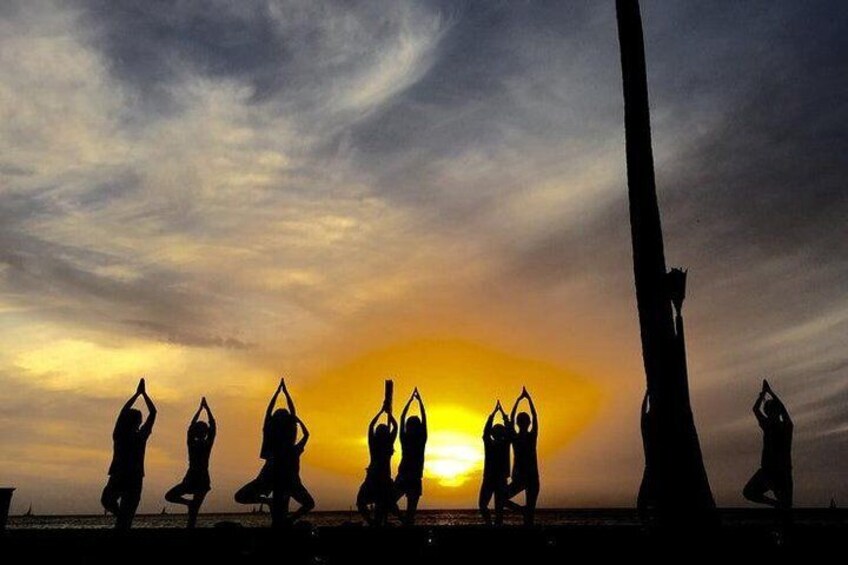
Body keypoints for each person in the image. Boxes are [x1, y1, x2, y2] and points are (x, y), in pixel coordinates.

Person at [235, 378, 314, 527]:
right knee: (242, 497)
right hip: (270, 478)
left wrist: (281, 393)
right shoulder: (272, 443)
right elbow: (270, 415)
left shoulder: (291, 446)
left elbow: (288, 414)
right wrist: (280, 393)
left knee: (280, 517)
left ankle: (283, 522)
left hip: (285, 481)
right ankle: (271, 506)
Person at [101, 378, 157, 529]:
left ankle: (122, 522)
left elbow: (123, 412)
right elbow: (153, 412)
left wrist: (137, 394)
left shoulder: (121, 435)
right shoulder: (133, 436)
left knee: (114, 506)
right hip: (127, 476)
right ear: (138, 421)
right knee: (119, 509)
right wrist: (142, 394)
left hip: (125, 476)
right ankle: (122, 520)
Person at [165, 397, 217, 528]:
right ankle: (189, 504)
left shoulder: (203, 444)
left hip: (200, 478)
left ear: (204, 433)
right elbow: (209, 427)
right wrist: (204, 409)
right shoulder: (194, 443)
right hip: (193, 477)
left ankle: (190, 516)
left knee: (193, 513)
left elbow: (212, 427)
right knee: (172, 497)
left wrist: (202, 409)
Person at [743, 379, 793, 512]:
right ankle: (778, 505)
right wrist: (767, 393)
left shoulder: (782, 426)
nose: (768, 414)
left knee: (786, 505)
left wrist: (766, 393)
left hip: (780, 472)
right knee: (750, 492)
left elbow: (757, 409)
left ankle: (779, 506)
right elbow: (758, 409)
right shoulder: (778, 426)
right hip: (771, 471)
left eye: (770, 412)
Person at [357, 397, 398, 526]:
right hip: (374, 478)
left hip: (381, 479)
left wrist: (382, 412)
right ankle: (373, 522)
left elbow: (371, 426)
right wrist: (387, 413)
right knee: (363, 502)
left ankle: (374, 522)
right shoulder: (376, 445)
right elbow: (395, 427)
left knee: (378, 506)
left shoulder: (382, 445)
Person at [505, 387, 539, 526]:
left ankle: (522, 512)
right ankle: (524, 512)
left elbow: (511, 419)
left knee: (502, 498)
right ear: (528, 423)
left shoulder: (518, 437)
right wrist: (528, 399)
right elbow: (535, 416)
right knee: (529, 513)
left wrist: (518, 400)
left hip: (525, 477)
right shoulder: (530, 436)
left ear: (519, 423)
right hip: (528, 477)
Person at [394, 388, 428, 525]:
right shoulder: (407, 439)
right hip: (405, 477)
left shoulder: (418, 440)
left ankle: (405, 521)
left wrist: (414, 402)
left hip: (411, 477)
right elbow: (403, 419)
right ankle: (404, 520)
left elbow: (403, 418)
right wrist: (417, 401)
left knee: (410, 511)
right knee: (393, 503)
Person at [479, 401, 511, 526]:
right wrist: (499, 415)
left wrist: (496, 415)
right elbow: (486, 433)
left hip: (497, 479)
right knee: (488, 506)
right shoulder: (494, 443)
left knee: (496, 508)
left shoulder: (503, 443)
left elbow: (486, 433)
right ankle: (491, 525)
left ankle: (492, 526)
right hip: (491, 478)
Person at [636, 390, 658, 517]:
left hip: (652, 466)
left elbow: (643, 411)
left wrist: (647, 393)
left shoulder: (646, 425)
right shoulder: (646, 425)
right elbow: (643, 411)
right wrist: (648, 393)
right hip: (651, 466)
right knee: (644, 500)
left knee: (644, 500)